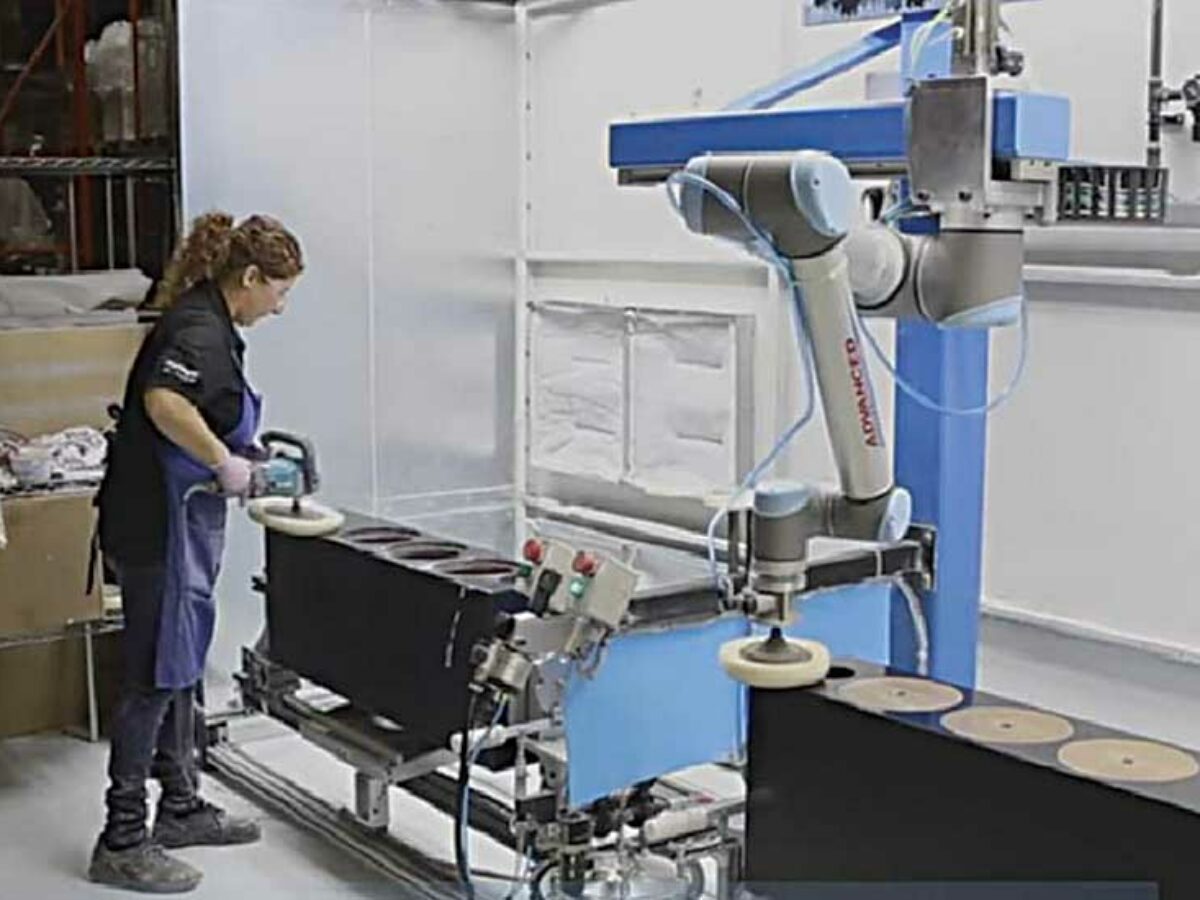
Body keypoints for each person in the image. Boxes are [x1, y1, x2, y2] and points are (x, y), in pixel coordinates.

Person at [89, 212, 304, 893]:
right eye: (280, 292)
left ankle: (179, 804)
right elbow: (164, 402)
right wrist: (223, 460)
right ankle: (122, 838)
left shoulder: (214, 324)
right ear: (251, 277)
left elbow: (203, 405)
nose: (281, 307)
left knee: (181, 666)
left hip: (183, 522)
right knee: (154, 674)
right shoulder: (196, 329)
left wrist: (246, 453)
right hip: (160, 527)